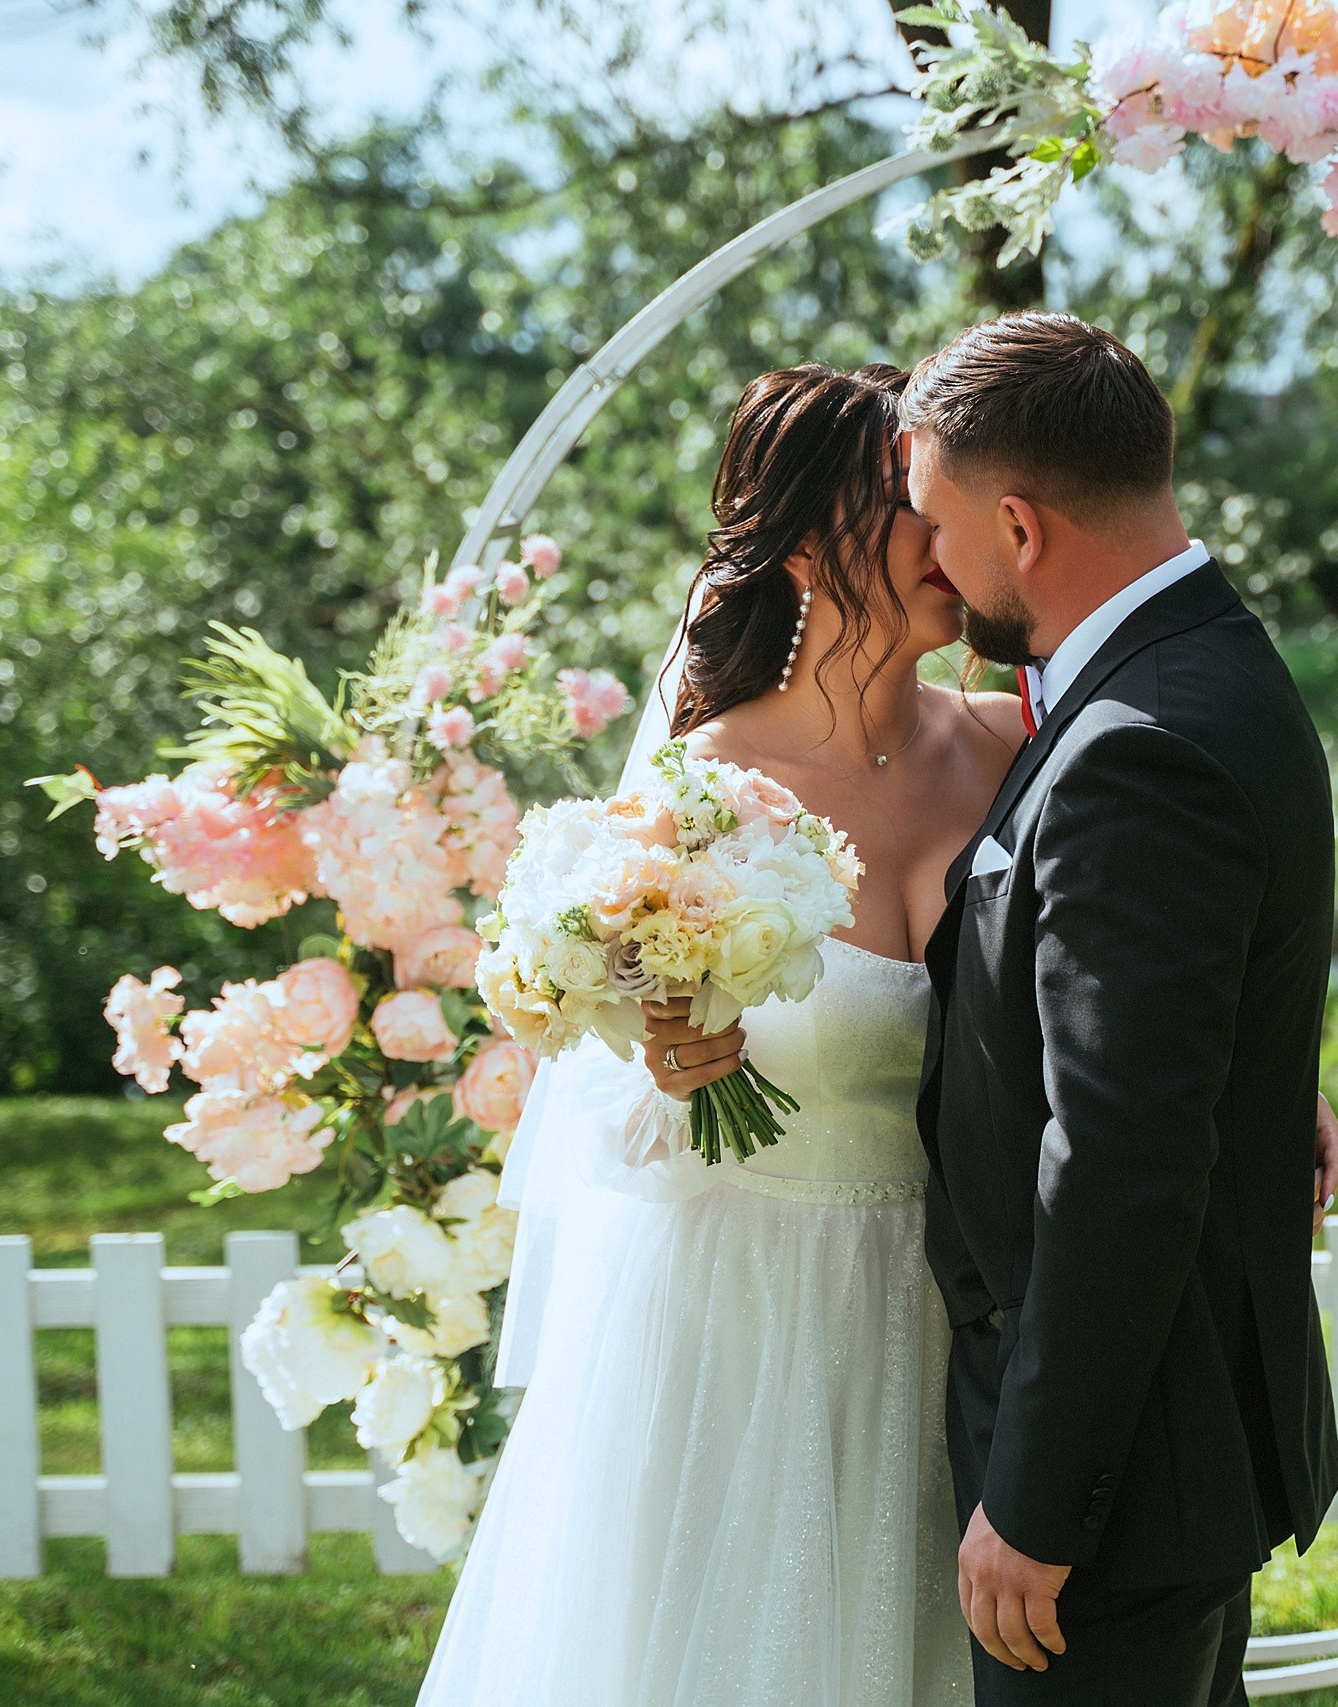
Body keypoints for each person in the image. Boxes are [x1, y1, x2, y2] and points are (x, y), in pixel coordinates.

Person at [414, 362, 1021, 1707]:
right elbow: (601, 1110)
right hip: (741, 1326)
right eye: (907, 500)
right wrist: (668, 1070)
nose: (945, 527)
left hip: (954, 1317)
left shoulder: (1010, 747)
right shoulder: (699, 799)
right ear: (803, 543)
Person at [902, 312, 1338, 1707]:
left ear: (1018, 527)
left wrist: (1040, 1502)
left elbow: (1121, 1156)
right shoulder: (1203, 666)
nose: (930, 560)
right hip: (1169, 1454)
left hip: (1118, 1488)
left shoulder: (1136, 744)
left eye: (936, 523)